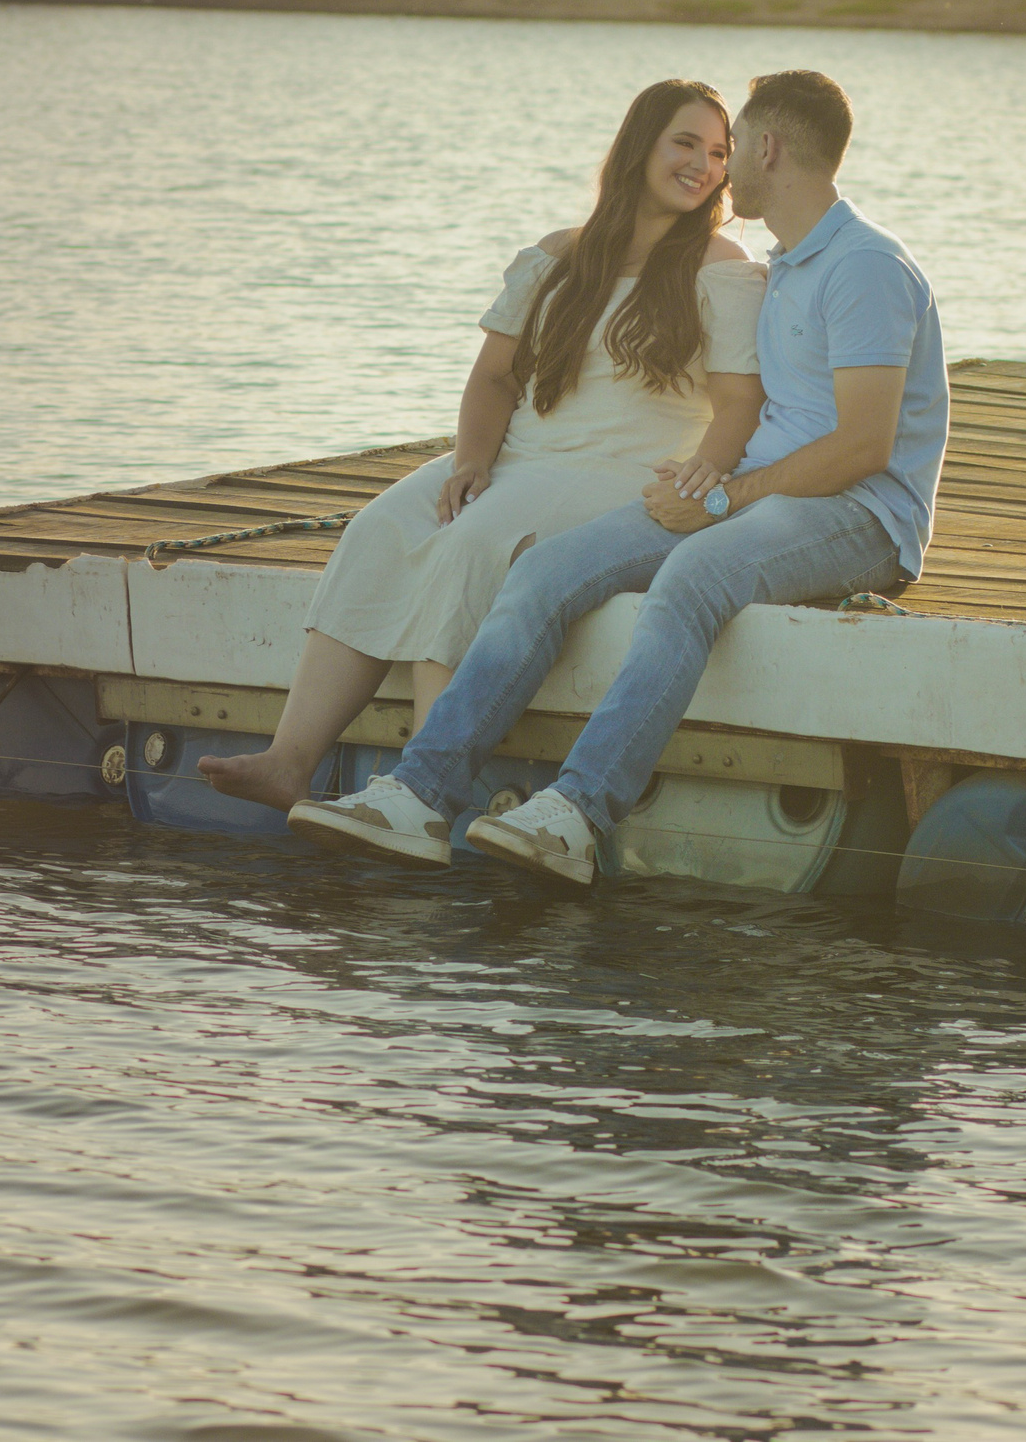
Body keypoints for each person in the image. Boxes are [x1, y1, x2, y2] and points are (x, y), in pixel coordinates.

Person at [286, 69, 948, 883]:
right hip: (762, 493)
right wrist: (706, 479)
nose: (723, 163)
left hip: (860, 514)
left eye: (733, 143)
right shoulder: (785, 265)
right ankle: (420, 793)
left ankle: (578, 811)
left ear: (769, 148)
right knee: (546, 568)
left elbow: (864, 445)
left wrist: (724, 495)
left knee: (693, 577)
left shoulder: (866, 266)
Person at [199, 79, 769, 814]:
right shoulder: (557, 256)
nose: (704, 164)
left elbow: (739, 400)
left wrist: (704, 474)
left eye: (719, 153)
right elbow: (495, 378)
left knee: (474, 542)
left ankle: (421, 793)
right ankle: (289, 759)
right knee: (381, 529)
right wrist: (472, 459)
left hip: (620, 467)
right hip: (521, 453)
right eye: (684, 143)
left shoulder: (718, 264)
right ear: (640, 146)